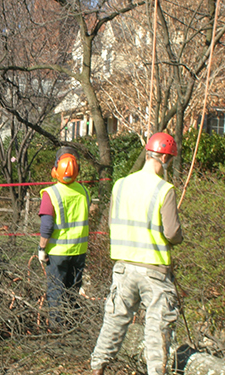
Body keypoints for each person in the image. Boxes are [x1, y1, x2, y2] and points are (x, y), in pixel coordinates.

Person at [90, 132, 184, 375]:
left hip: (123, 268)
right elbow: (172, 233)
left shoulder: (121, 184)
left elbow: (112, 223)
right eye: (170, 160)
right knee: (157, 330)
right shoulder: (165, 190)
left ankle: (97, 367)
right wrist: (178, 236)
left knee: (114, 321)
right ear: (163, 157)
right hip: (154, 271)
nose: (169, 165)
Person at [38, 147, 90, 327]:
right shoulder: (84, 191)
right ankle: (72, 325)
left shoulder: (51, 194)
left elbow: (47, 226)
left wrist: (41, 249)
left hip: (58, 253)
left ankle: (57, 328)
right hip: (79, 251)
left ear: (56, 168)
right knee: (73, 290)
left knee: (56, 291)